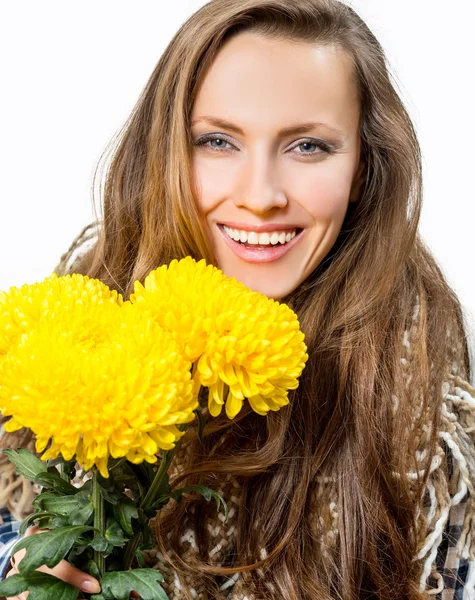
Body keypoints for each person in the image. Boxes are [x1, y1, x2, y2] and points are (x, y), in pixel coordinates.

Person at [1, 0, 475, 598]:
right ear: (168, 150)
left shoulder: (429, 422)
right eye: (219, 141)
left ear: (363, 169)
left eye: (308, 147)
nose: (260, 196)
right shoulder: (59, 329)